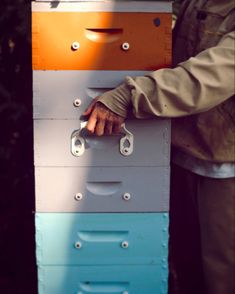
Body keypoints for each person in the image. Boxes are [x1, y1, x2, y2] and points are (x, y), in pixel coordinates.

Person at [83, 1, 235, 293]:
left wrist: (130, 96)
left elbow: (210, 75)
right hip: (184, 153)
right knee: (188, 269)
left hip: (226, 169)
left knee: (222, 279)